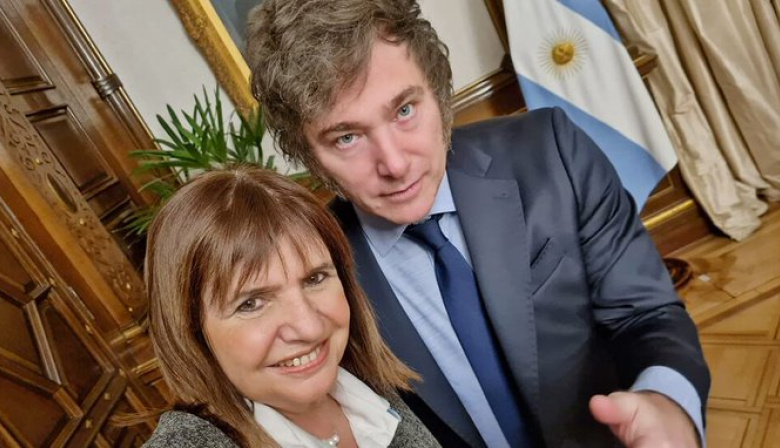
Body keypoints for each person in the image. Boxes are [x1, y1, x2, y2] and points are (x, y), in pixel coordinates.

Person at [245, 0, 711, 447]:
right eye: (347, 138)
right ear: (310, 156)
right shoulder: (317, 267)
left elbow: (645, 315)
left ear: (438, 92)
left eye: (405, 110)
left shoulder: (552, 154)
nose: (395, 164)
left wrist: (667, 401)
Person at [141, 166, 442, 448]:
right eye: (251, 304)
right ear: (192, 331)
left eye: (315, 279)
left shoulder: (367, 384)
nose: (309, 328)